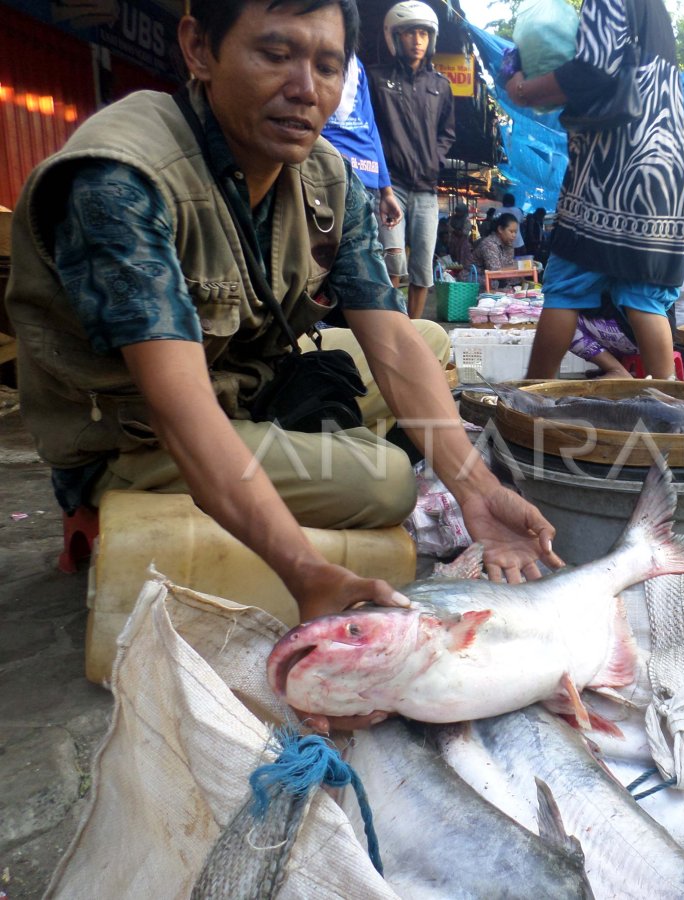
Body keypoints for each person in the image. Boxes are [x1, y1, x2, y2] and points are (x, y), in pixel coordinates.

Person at [4, 0, 561, 689]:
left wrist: (475, 488)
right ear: (199, 49)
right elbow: (177, 408)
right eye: (275, 53)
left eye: (328, 66)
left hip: (243, 379)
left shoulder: (324, 174)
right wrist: (304, 571)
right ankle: (306, 462)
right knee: (389, 482)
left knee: (422, 333)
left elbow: (387, 339)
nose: (306, 88)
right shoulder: (121, 180)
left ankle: (331, 446)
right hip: (133, 433)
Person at [505, 0, 684, 381]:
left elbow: (594, 68)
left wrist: (524, 89)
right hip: (663, 165)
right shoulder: (653, 11)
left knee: (567, 286)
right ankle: (669, 407)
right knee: (644, 292)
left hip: (611, 167)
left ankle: (528, 404)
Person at [368, 1, 455, 321]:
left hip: (427, 189)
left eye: (423, 33)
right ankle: (389, 325)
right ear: (394, 37)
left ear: (431, 39)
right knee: (392, 262)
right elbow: (368, 127)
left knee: (422, 267)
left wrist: (436, 160)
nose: (417, 40)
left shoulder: (441, 86)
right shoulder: (375, 79)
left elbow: (447, 133)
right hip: (390, 185)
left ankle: (415, 330)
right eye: (409, 33)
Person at [320, 52, 406, 289]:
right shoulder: (326, 55)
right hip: (330, 167)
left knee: (353, 256)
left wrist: (386, 190)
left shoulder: (356, 64)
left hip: (362, 174)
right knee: (342, 256)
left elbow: (370, 126)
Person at [447, 202, 475, 267]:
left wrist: (456, 231)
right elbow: (449, 227)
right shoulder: (452, 218)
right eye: (457, 211)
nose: (457, 213)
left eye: (459, 212)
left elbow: (464, 233)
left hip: (462, 243)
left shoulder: (466, 220)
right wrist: (455, 231)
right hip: (453, 243)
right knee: (453, 259)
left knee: (463, 259)